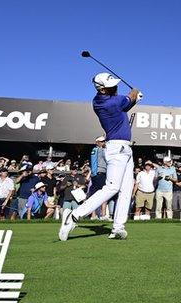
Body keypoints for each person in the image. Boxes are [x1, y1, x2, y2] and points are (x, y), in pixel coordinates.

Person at [59, 72, 141, 241]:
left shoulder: (99, 101)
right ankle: (74, 216)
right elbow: (131, 97)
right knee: (112, 187)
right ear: (103, 89)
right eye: (112, 86)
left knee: (126, 190)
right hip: (117, 148)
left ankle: (118, 227)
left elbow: (128, 103)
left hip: (125, 148)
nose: (116, 87)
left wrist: (134, 98)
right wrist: (135, 92)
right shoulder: (113, 101)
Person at [89, 136, 108, 220]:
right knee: (103, 194)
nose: (104, 143)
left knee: (96, 194)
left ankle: (95, 215)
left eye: (104, 141)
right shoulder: (100, 150)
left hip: (97, 174)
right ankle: (102, 215)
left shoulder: (95, 150)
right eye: (102, 141)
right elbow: (107, 158)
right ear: (97, 142)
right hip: (100, 174)